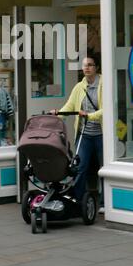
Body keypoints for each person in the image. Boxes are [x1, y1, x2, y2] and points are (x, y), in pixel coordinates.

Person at [51, 53, 103, 208]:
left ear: (96, 68)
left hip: (102, 134)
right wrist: (58, 114)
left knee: (104, 168)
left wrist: (90, 115)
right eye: (84, 65)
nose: (86, 68)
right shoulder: (79, 87)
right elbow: (70, 106)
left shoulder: (104, 84)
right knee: (80, 167)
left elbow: (107, 109)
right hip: (84, 135)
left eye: (90, 65)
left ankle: (105, 202)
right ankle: (78, 201)